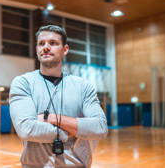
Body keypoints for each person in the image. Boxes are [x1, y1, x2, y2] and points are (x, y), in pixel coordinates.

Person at [9, 25, 108, 168]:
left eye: (53, 43)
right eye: (41, 44)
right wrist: (71, 131)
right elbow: (26, 129)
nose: (46, 47)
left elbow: (100, 127)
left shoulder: (83, 86)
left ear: (65, 49)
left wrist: (53, 119)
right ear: (37, 50)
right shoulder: (23, 83)